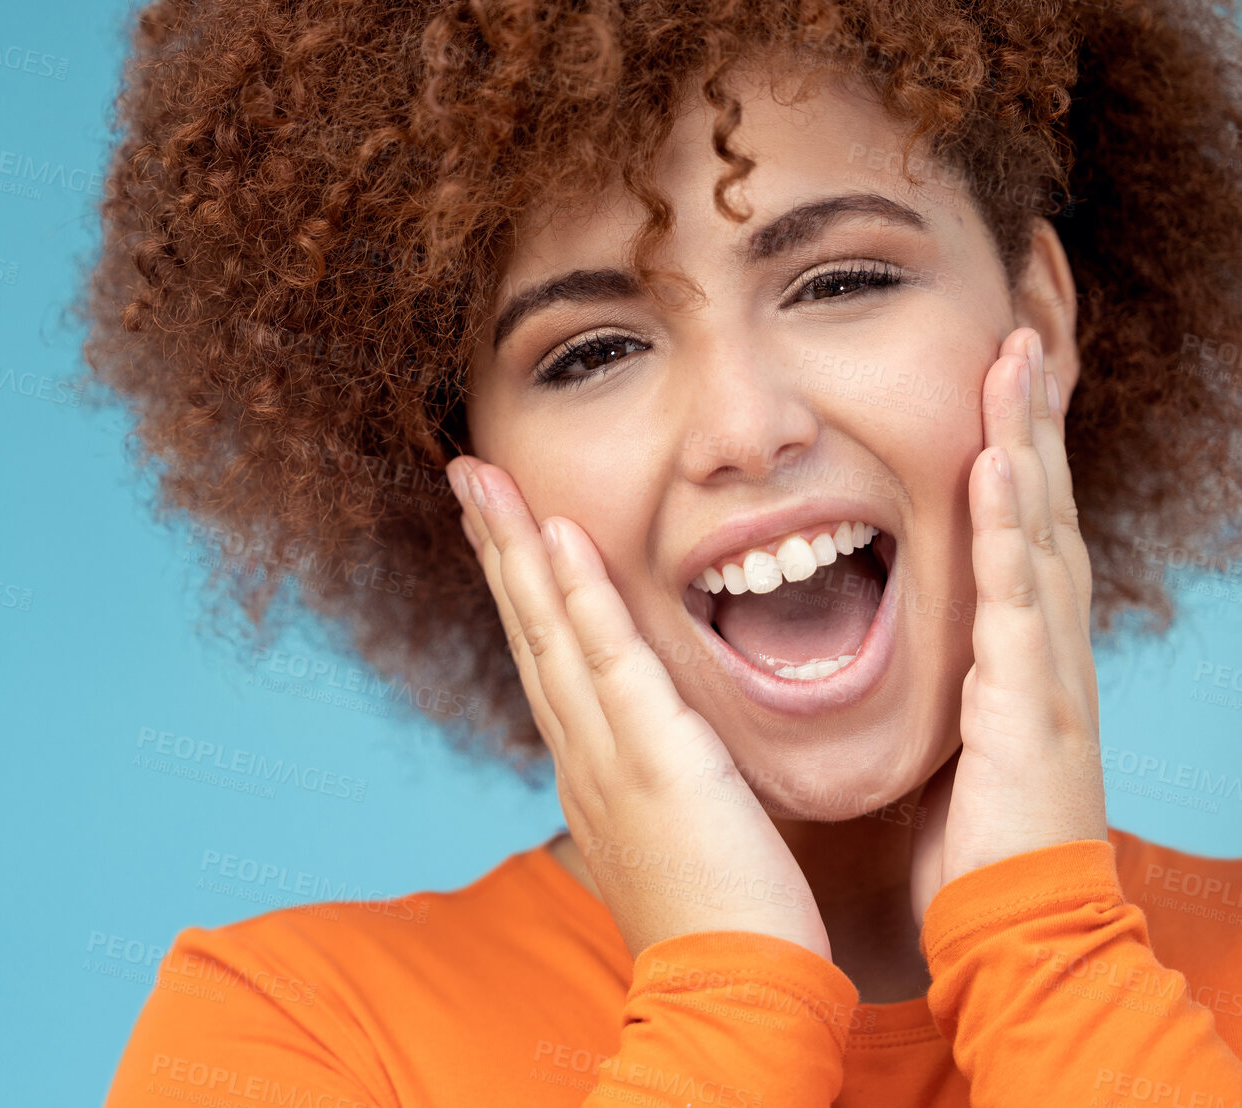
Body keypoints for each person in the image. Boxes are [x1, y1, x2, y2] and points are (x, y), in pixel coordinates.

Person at [77, 0, 1242, 1103]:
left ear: (1037, 321)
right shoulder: (297, 1036)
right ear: (467, 465)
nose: (744, 429)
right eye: (589, 353)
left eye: (840, 280)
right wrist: (728, 1004)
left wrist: (1051, 957)